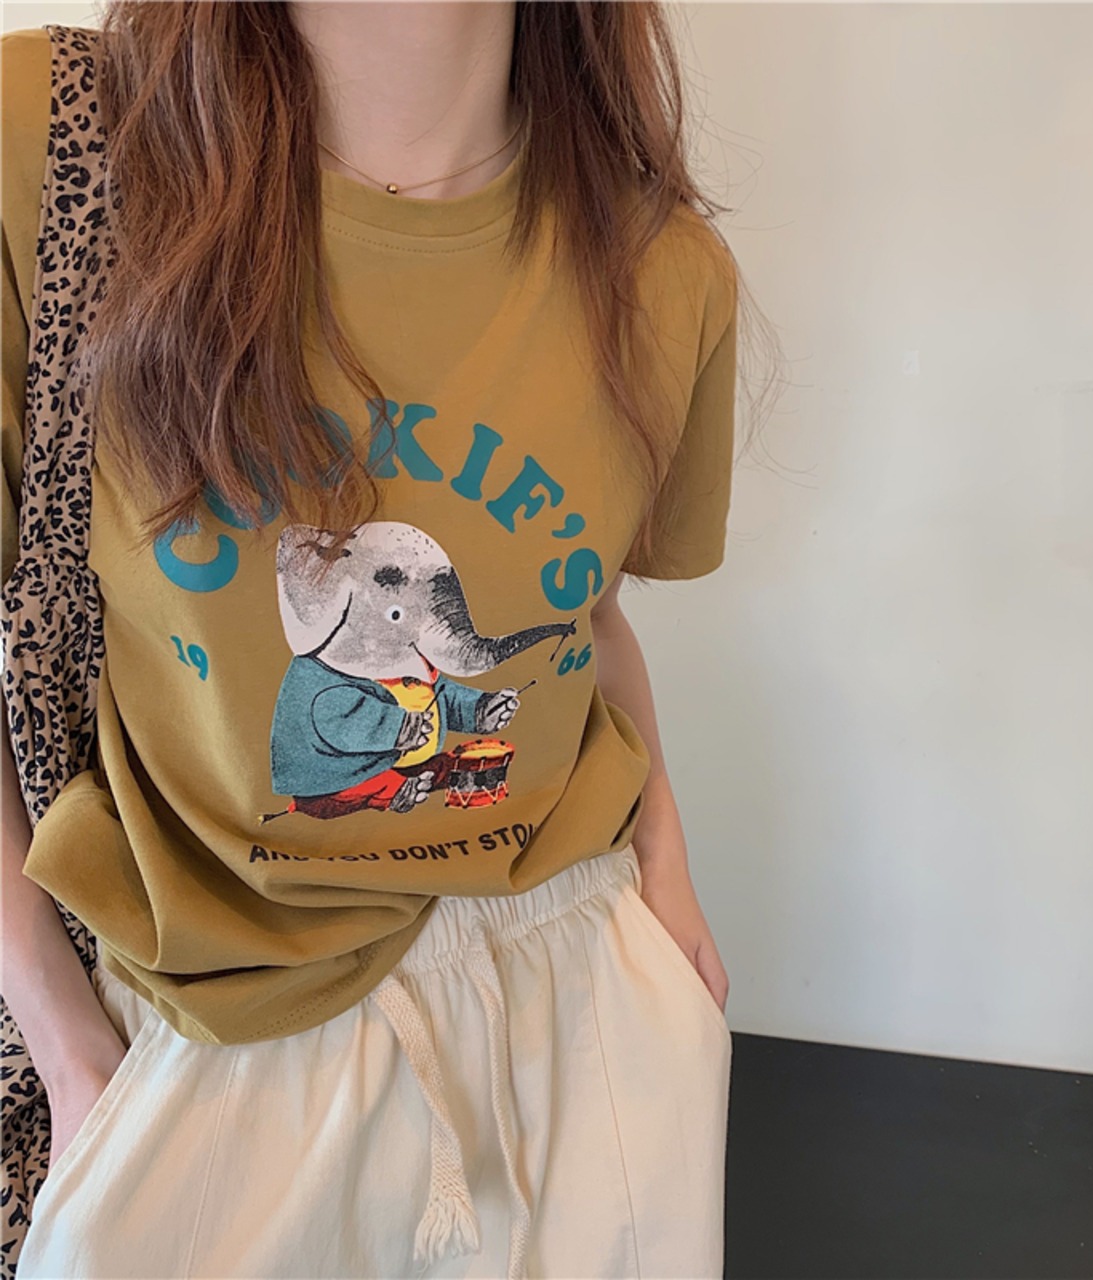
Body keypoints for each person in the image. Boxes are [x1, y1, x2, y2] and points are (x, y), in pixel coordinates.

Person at [1, 2, 758, 1277]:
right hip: (201, 1038)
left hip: (578, 1016)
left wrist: (665, 882)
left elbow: (585, 622)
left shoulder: (660, 266)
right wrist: (70, 1053)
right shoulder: (57, 147)